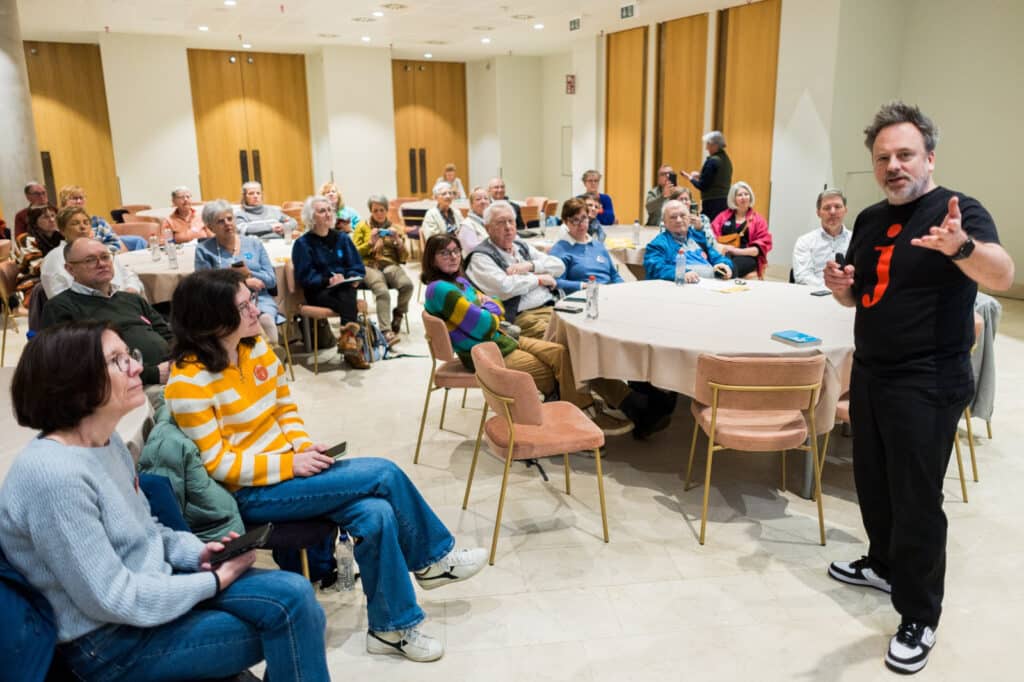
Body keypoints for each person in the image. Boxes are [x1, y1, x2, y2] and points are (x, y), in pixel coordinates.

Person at [166, 269, 487, 662]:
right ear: (213, 319)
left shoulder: (254, 347)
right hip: (251, 491)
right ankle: (433, 559)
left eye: (251, 299)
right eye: (244, 305)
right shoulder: (189, 381)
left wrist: (304, 448)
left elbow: (283, 409)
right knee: (384, 473)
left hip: (287, 469)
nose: (255, 309)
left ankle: (391, 629)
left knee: (375, 513)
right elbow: (219, 464)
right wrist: (291, 465)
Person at [0, 321, 330, 681]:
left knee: (296, 595)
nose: (136, 366)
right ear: (74, 381)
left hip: (150, 591)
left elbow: (148, 530)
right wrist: (212, 582)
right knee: (294, 618)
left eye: (129, 355)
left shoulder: (106, 442)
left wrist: (198, 554)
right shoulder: (55, 476)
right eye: (117, 360)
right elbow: (113, 598)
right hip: (107, 643)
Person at [823, 101, 1013, 675]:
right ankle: (884, 564)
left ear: (929, 158)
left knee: (916, 500)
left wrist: (961, 247)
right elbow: (859, 296)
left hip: (928, 380)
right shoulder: (869, 220)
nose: (893, 166)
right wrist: (840, 287)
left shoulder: (958, 212)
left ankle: (920, 613)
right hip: (873, 372)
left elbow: (1002, 273)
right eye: (883, 157)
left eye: (905, 154)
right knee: (873, 483)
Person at [421, 234, 632, 434]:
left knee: (561, 352)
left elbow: (497, 305)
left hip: (502, 339)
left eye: (456, 251)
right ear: (431, 259)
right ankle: (580, 420)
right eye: (444, 253)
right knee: (554, 371)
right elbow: (484, 325)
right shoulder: (440, 290)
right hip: (484, 352)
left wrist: (488, 309)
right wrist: (489, 310)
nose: (453, 257)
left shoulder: (460, 282)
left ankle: (578, 407)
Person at [41, 238, 172, 386]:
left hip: (172, 373)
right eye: (90, 260)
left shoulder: (131, 299)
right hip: (130, 386)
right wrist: (152, 374)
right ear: (70, 269)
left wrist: (180, 359)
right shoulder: (60, 307)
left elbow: (167, 334)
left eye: (105, 257)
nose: (102, 264)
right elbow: (77, 365)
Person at [464, 200, 564, 339]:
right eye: (501, 222)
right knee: (566, 337)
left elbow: (559, 266)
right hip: (522, 317)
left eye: (511, 221)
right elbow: (505, 288)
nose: (508, 227)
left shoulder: (520, 246)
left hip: (552, 305)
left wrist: (530, 266)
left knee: (582, 327)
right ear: (487, 228)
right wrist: (539, 279)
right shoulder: (480, 257)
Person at [291, 195, 370, 370]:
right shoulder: (302, 244)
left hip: (344, 288)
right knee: (347, 296)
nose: (327, 214)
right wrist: (328, 280)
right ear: (311, 217)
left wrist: (352, 277)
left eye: (329, 210)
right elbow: (304, 277)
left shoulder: (342, 238)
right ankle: (351, 346)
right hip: (319, 292)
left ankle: (348, 341)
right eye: (322, 211)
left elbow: (357, 266)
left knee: (347, 290)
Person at [195, 199, 284, 345]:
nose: (227, 224)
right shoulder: (204, 250)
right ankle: (262, 353)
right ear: (210, 227)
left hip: (259, 299)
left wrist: (250, 273)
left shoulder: (254, 243)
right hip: (225, 302)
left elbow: (271, 280)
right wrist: (243, 282)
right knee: (238, 324)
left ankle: (269, 351)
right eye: (221, 221)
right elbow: (203, 287)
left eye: (230, 219)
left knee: (265, 320)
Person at [40, 207, 144, 299]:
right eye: (75, 223)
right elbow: (58, 297)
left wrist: (131, 290)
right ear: (62, 230)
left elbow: (128, 274)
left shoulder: (102, 249)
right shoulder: (53, 259)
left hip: (123, 301)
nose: (82, 227)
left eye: (86, 223)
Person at [353, 194, 414, 342]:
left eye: (382, 210)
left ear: (387, 210)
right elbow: (353, 253)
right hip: (369, 266)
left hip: (390, 265)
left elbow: (404, 258)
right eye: (375, 210)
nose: (379, 214)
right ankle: (386, 331)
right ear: (370, 211)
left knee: (407, 285)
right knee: (382, 291)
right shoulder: (362, 227)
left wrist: (398, 242)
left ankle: (398, 314)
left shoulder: (395, 228)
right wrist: (370, 243)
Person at [645, 198, 733, 282]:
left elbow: (717, 257)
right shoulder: (658, 245)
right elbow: (655, 269)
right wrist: (681, 273)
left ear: (689, 218)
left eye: (682, 215)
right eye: (673, 217)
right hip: (683, 287)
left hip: (713, 283)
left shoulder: (698, 238)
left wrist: (724, 265)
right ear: (664, 222)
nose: (679, 220)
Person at [549, 198, 623, 292]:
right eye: (575, 220)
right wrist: (584, 285)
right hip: (585, 295)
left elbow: (614, 275)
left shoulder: (598, 245)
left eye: (584, 218)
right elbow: (554, 282)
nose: (581, 224)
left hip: (608, 292)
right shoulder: (560, 249)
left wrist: (623, 288)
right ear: (566, 222)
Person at [710, 181, 772, 278]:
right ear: (733, 198)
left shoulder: (759, 220)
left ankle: (726, 272)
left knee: (737, 263)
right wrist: (723, 248)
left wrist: (734, 250)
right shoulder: (722, 217)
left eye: (746, 194)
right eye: (739, 195)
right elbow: (711, 238)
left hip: (746, 256)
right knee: (721, 259)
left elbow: (756, 251)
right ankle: (723, 271)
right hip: (723, 253)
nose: (743, 197)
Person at [58, 184, 146, 252]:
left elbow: (114, 243)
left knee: (139, 241)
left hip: (103, 256)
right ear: (64, 202)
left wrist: (100, 251)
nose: (79, 201)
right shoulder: (61, 224)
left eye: (81, 198)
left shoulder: (98, 221)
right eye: (74, 198)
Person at [792, 189, 852, 287]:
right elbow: (802, 277)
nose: (832, 212)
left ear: (845, 210)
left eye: (837, 207)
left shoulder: (856, 240)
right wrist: (832, 288)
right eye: (827, 208)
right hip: (815, 293)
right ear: (818, 213)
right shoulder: (805, 241)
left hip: (849, 294)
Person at [15, 205, 61, 304]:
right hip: (33, 280)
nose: (52, 220)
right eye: (45, 217)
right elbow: (37, 267)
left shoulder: (60, 236)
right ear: (35, 221)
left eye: (53, 216)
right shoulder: (25, 239)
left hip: (58, 276)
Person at [686, 131, 733, 220]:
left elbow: (703, 186)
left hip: (712, 203)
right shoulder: (726, 160)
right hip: (724, 201)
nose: (706, 148)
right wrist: (700, 175)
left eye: (708, 144)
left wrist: (691, 178)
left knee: (709, 225)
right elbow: (717, 178)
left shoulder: (712, 161)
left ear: (715, 145)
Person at [458, 186, 490, 252]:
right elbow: (471, 250)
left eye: (486, 198)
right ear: (471, 204)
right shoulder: (467, 225)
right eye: (478, 199)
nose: (483, 201)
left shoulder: (493, 222)